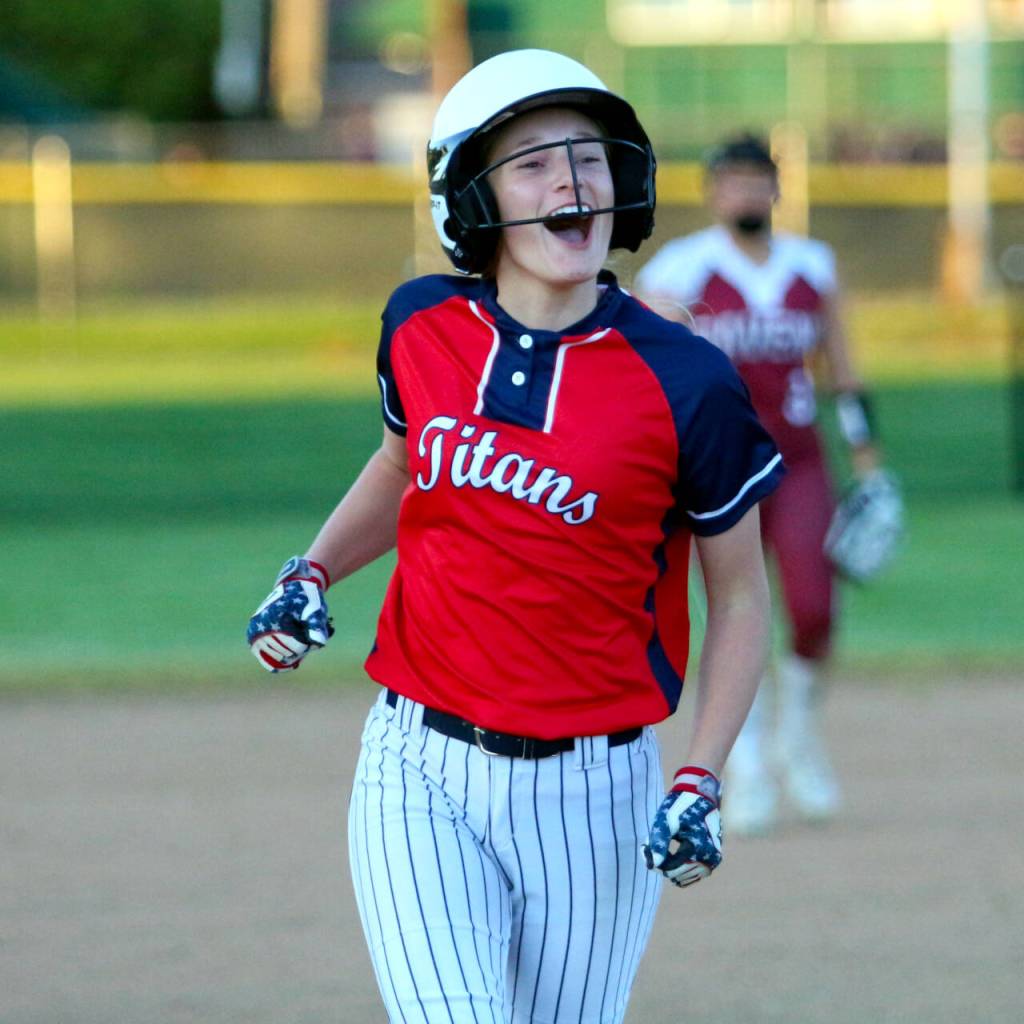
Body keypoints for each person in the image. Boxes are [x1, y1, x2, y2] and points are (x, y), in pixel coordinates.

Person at [246, 52, 784, 1023]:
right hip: (417, 764)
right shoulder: (420, 326)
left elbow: (741, 598)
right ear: (473, 196)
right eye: (532, 161)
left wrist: (700, 775)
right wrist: (314, 568)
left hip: (596, 790)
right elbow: (401, 465)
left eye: (588, 157)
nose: (570, 183)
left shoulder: (689, 381)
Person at [634, 133, 884, 837]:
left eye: (756, 179)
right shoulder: (681, 270)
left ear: (776, 188)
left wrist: (867, 456)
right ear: (713, 191)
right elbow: (644, 369)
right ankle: (741, 764)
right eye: (732, 180)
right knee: (727, 616)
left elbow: (842, 365)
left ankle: (796, 739)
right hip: (719, 470)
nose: (745, 193)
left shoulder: (812, 264)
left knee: (812, 607)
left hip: (800, 460)